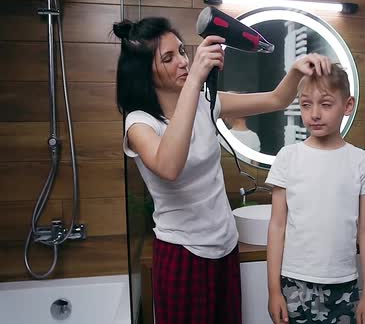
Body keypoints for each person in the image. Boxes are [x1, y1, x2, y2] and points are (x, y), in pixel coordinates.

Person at [112, 17, 331, 324]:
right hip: (182, 253)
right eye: (168, 57)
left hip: (225, 247)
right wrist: (194, 82)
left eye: (182, 52)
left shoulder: (206, 102)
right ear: (144, 71)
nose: (183, 62)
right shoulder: (140, 123)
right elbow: (169, 166)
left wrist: (295, 70)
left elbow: (276, 99)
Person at [265, 63, 365, 324]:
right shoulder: (288, 158)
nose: (314, 114)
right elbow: (276, 226)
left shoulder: (361, 162)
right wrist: (274, 290)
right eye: (306, 105)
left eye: (326, 104)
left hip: (344, 282)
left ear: (348, 105)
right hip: (294, 281)